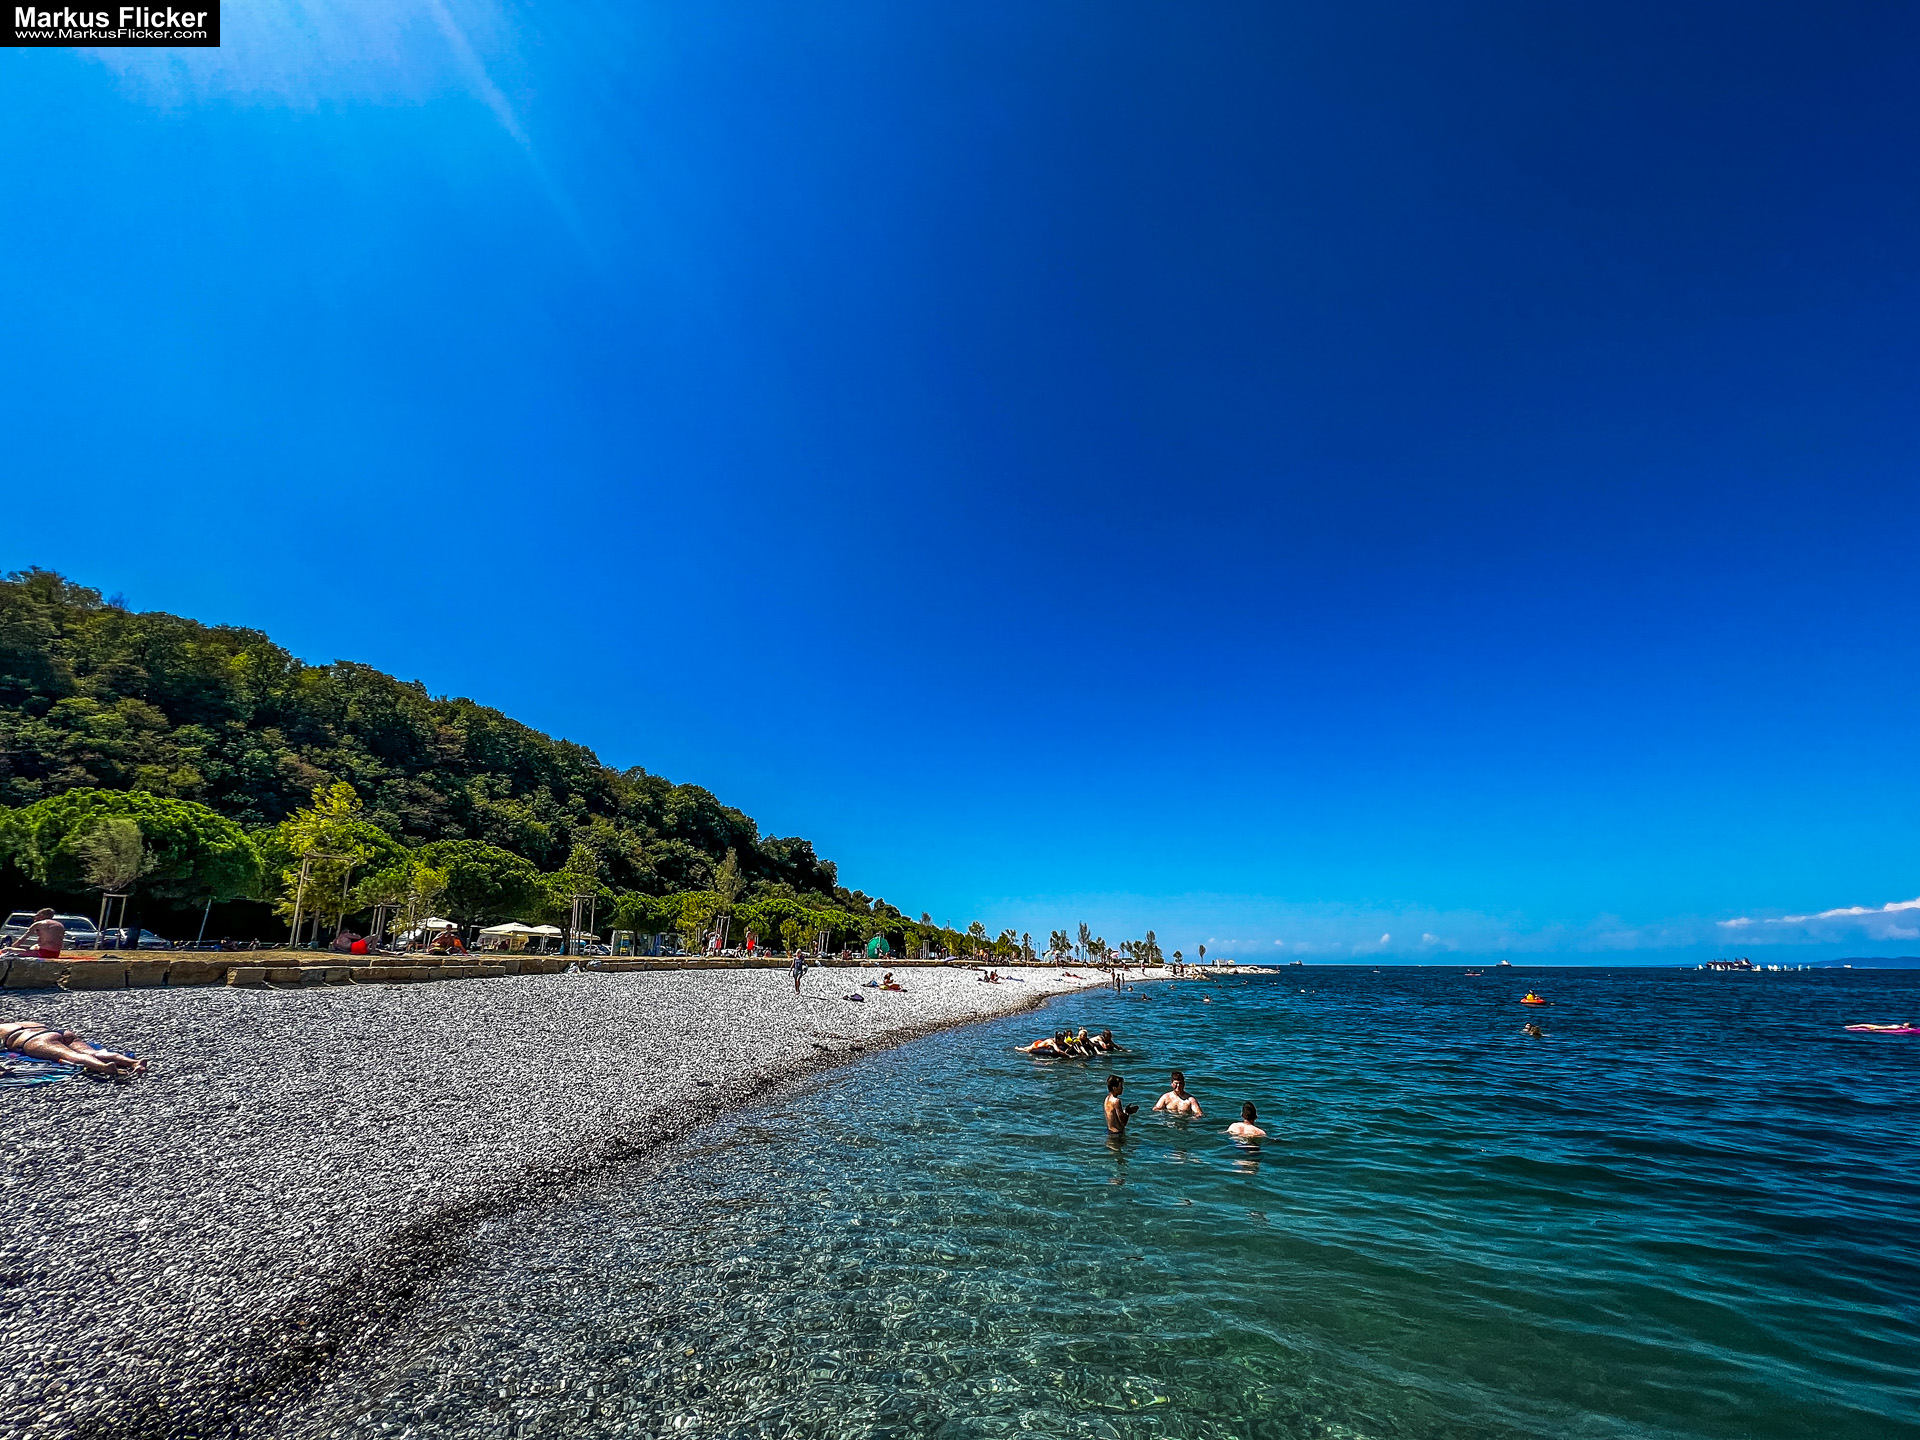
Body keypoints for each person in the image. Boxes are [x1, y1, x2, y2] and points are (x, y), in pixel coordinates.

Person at [0, 1019, 145, 1078]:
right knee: (92, 1052)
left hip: (33, 1040)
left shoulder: (2, 1028)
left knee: (69, 1055)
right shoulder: (25, 1022)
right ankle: (134, 1063)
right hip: (60, 1032)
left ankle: (104, 1067)